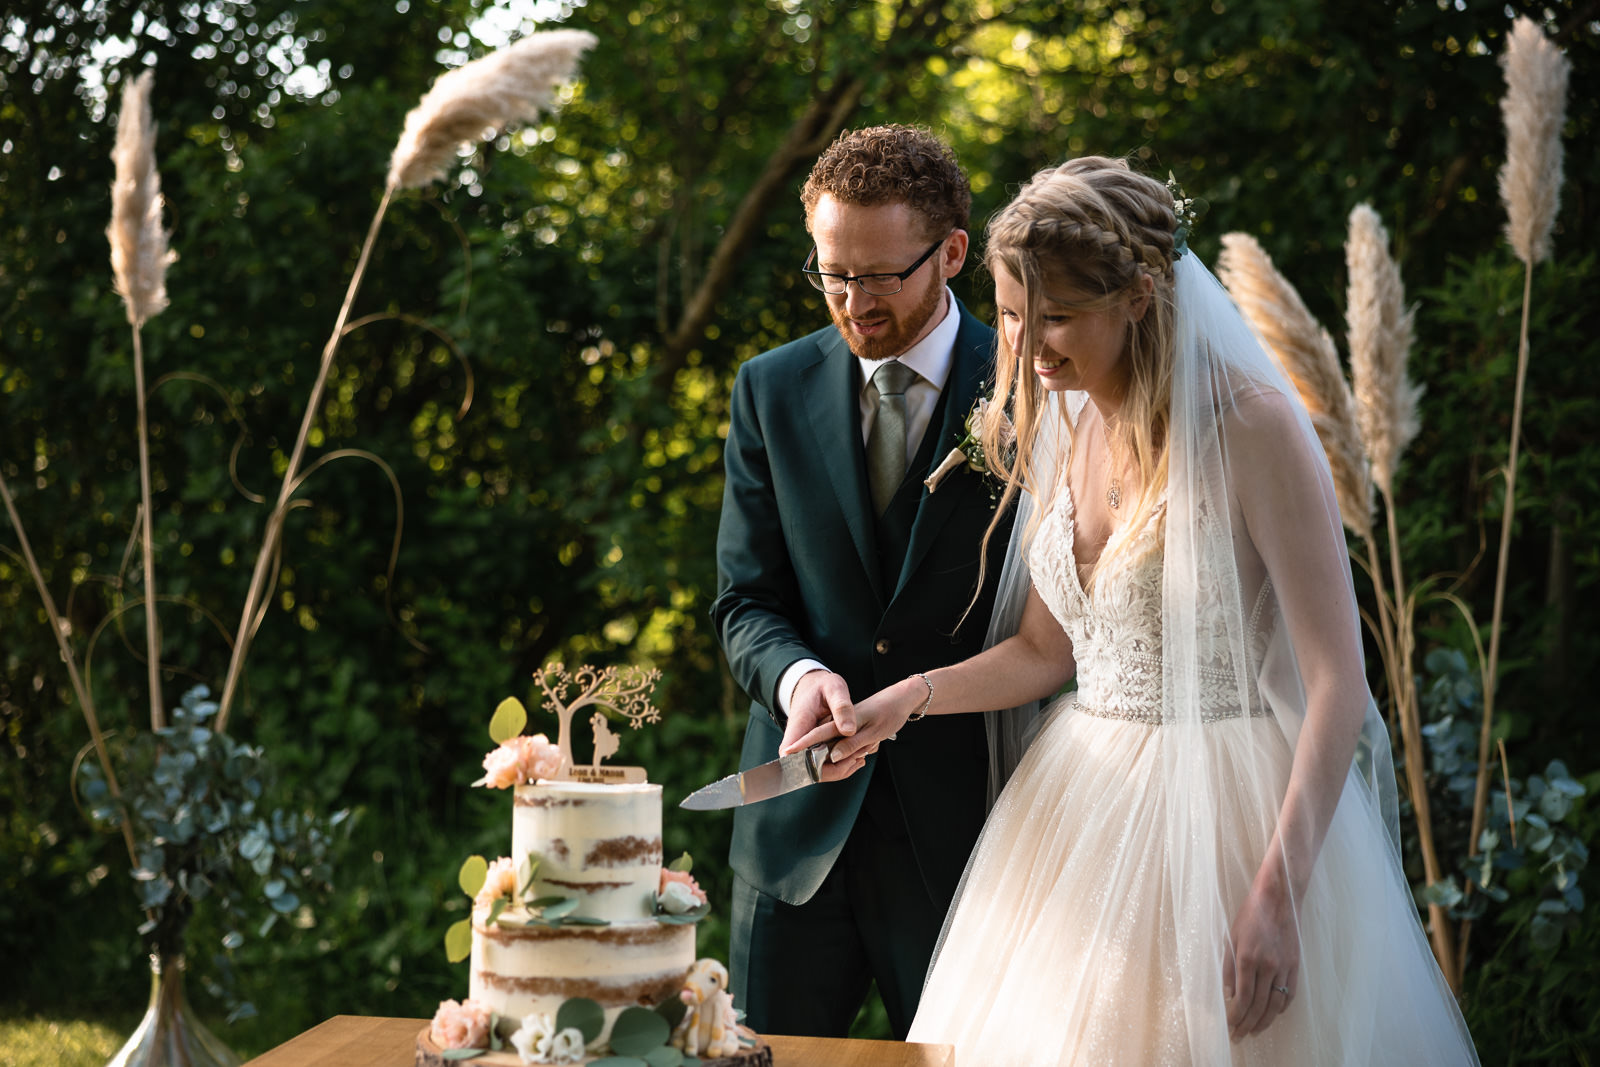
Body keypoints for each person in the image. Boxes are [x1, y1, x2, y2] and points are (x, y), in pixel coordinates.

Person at [792, 157, 1479, 1064]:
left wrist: (1278, 894)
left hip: (1236, 815)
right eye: (1009, 315)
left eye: (1059, 317)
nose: (1030, 346)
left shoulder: (1254, 427)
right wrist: (903, 700)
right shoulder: (1065, 420)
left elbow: (1337, 684)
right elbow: (1045, 649)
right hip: (1076, 808)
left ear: (1141, 295)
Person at [710, 124, 1015, 1039]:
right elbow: (745, 599)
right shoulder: (768, 389)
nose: (854, 301)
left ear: (952, 252)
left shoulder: (1029, 386)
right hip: (794, 836)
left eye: (880, 275)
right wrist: (800, 676)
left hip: (962, 836)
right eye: (832, 273)